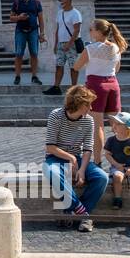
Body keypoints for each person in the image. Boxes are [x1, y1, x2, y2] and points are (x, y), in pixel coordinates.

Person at [42, 85, 108, 235]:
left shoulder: (89, 120)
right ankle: (84, 214)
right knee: (52, 172)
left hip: (79, 159)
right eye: (88, 104)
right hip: (56, 157)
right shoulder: (56, 116)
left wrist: (82, 170)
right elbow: (50, 147)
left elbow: (88, 148)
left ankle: (71, 212)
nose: (91, 108)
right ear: (78, 103)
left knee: (102, 177)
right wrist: (70, 157)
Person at [76, 19, 128, 166]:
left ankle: (97, 161)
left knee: (98, 126)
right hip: (113, 84)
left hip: (96, 85)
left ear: (99, 32)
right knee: (118, 125)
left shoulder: (91, 48)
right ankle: (124, 159)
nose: (90, 32)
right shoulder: (116, 47)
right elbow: (116, 69)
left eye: (91, 29)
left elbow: (76, 66)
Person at [43, 0, 82, 95]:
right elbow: (58, 29)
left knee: (73, 66)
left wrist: (69, 44)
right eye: (59, 0)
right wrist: (55, 44)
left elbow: (76, 30)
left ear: (68, 0)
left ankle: (74, 88)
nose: (60, 2)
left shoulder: (75, 13)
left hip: (71, 44)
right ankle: (56, 87)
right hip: (61, 43)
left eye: (62, 0)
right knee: (59, 65)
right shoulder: (60, 13)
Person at [9, 0, 45, 85]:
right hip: (20, 30)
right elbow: (11, 18)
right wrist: (19, 17)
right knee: (19, 53)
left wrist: (42, 33)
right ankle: (17, 76)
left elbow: (41, 19)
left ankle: (34, 76)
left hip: (33, 30)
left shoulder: (37, 2)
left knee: (34, 53)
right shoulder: (16, 3)